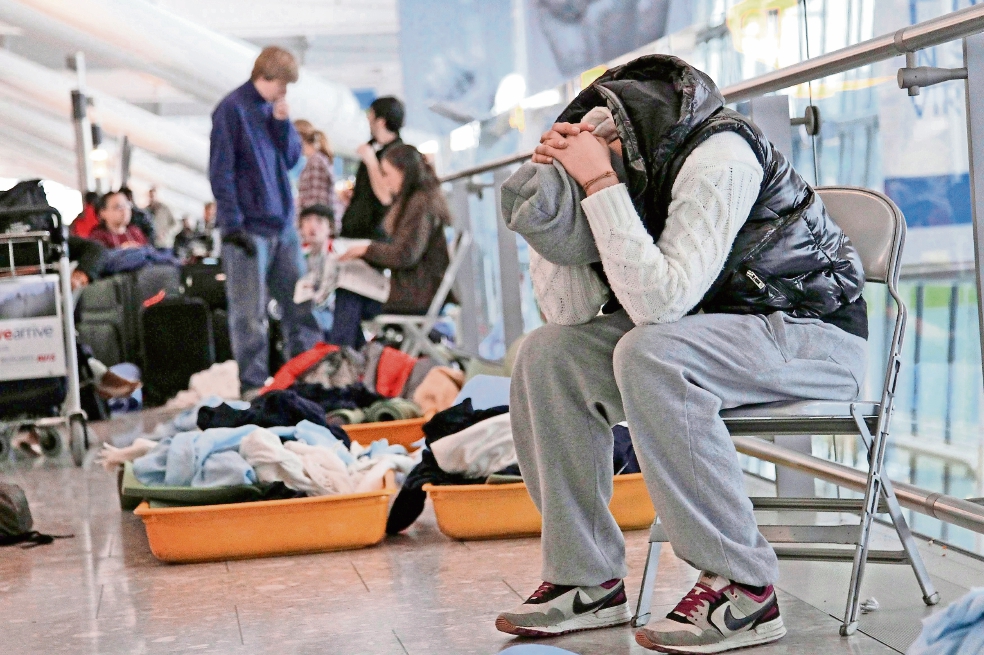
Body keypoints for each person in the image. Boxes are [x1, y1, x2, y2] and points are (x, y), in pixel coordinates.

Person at [495, 55, 868, 653]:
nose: (598, 145)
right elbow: (567, 314)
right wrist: (560, 200)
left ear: (640, 133)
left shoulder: (720, 154)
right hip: (699, 331)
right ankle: (586, 578)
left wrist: (600, 185)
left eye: (608, 134)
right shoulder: (628, 179)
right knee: (547, 355)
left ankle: (746, 588)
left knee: (652, 352)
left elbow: (660, 305)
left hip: (807, 330)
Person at [209, 45, 321, 398]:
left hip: (282, 227)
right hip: (248, 230)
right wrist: (232, 225)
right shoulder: (230, 111)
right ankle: (253, 385)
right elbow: (221, 171)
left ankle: (305, 374)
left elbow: (290, 160)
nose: (284, 93)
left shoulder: (272, 111)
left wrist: (283, 124)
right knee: (249, 314)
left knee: (299, 305)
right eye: (282, 85)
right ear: (265, 77)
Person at [329, 144, 451, 348]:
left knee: (348, 296)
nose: (384, 180)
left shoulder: (419, 204)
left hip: (416, 296)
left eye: (386, 173)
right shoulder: (420, 200)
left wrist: (365, 250)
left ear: (403, 171)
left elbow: (405, 254)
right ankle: (346, 359)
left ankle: (344, 359)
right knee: (349, 296)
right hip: (417, 290)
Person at [339, 96, 404, 240]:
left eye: (371, 114)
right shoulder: (372, 147)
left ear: (381, 121)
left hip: (375, 237)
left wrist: (371, 162)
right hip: (354, 230)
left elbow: (387, 197)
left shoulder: (400, 154)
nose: (368, 118)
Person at [294, 119, 343, 230]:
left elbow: (316, 203)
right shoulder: (319, 159)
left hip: (318, 226)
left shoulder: (315, 161)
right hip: (322, 224)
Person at [296, 204, 335, 336]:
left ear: (330, 227)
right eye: (307, 220)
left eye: (319, 220)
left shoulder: (337, 254)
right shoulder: (298, 256)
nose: (312, 226)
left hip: (329, 315)